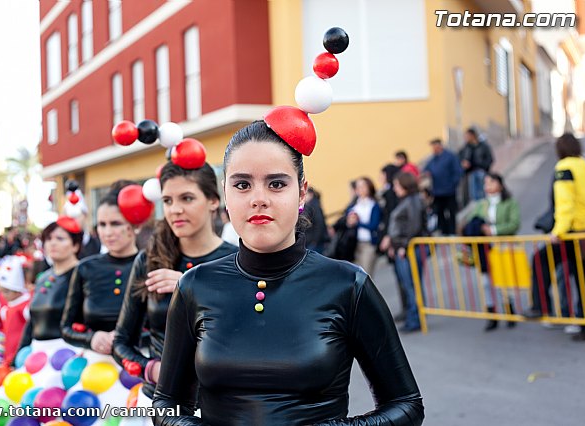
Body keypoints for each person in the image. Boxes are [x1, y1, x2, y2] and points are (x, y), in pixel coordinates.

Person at [153, 121, 424, 425]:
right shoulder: (195, 286)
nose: (259, 198)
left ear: (302, 193)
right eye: (242, 185)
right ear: (225, 194)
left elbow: (406, 404)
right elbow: (167, 403)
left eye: (277, 184)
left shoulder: (348, 285)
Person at [113, 159, 237, 413]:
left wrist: (190, 288)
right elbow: (122, 341)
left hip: (221, 407)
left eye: (187, 198)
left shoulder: (238, 261)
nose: (175, 210)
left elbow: (251, 336)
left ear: (214, 200)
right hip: (159, 403)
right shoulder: (149, 260)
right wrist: (152, 369)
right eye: (168, 201)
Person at [61, 180, 140, 354]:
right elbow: (66, 328)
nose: (107, 232)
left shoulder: (152, 266)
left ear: (134, 225)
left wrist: (125, 338)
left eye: (115, 223)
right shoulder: (85, 268)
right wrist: (92, 338)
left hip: (143, 366)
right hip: (94, 368)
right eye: (102, 225)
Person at [524, 133, 585, 342]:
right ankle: (582, 323)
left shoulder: (564, 168)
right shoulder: (583, 164)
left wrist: (557, 232)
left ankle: (541, 305)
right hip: (584, 234)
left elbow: (565, 204)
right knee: (582, 279)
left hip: (573, 234)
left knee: (540, 260)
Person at [462, 173, 520, 331]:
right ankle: (491, 312)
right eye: (485, 183)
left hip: (502, 246)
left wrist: (493, 230)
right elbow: (471, 221)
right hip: (485, 248)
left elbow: (514, 223)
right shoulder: (481, 204)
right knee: (486, 282)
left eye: (491, 182)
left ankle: (509, 310)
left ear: (500, 184)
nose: (487, 185)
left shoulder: (509, 202)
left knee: (503, 282)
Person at [17, 216, 82, 351]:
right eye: (48, 239)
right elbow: (33, 322)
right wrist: (19, 354)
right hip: (38, 352)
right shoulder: (43, 278)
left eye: (60, 238)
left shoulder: (84, 275)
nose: (52, 243)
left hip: (70, 354)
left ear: (75, 245)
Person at [379, 173, 426, 333]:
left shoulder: (412, 201)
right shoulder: (407, 201)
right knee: (409, 284)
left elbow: (413, 227)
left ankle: (415, 319)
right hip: (403, 249)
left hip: (408, 250)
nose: (395, 188)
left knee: (411, 285)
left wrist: (402, 246)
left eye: (398, 185)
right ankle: (413, 317)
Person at [0, 255, 33, 365]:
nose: (3, 295)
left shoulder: (25, 305)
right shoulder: (2, 303)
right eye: (2, 291)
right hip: (7, 346)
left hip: (23, 349)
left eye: (6, 292)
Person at [424, 138, 463, 235]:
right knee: (439, 213)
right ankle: (444, 232)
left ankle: (452, 232)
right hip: (437, 192)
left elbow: (458, 171)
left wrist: (453, 184)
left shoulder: (450, 157)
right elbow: (425, 170)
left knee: (451, 213)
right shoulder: (433, 159)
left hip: (449, 191)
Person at [346, 177, 382, 277]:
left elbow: (374, 225)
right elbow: (346, 220)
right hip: (356, 243)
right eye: (358, 187)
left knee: (366, 275)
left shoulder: (373, 205)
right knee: (358, 275)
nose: (360, 189)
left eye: (363, 186)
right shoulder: (354, 205)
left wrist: (357, 223)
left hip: (368, 244)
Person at [458, 128, 493, 202]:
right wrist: (463, 162)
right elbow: (459, 157)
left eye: (467, 136)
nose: (466, 138)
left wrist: (483, 167)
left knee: (484, 193)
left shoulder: (483, 146)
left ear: (473, 135)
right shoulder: (466, 147)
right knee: (474, 196)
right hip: (471, 173)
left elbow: (490, 159)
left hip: (482, 172)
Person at [302, 187, 329, 253]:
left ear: (311, 194)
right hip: (313, 241)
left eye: (305, 194)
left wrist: (315, 241)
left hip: (314, 242)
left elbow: (319, 224)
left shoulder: (313, 206)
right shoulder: (313, 205)